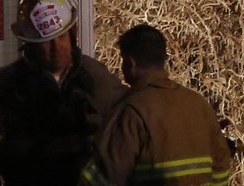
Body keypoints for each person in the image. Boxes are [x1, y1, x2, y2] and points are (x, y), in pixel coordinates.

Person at [0, 0, 126, 186]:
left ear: (72, 35)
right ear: (29, 45)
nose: (56, 48)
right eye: (46, 42)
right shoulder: (3, 89)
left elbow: (126, 134)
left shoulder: (97, 79)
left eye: (61, 37)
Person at [79, 24, 231, 185]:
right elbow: (221, 164)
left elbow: (103, 177)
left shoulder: (131, 111)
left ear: (131, 63)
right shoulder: (198, 103)